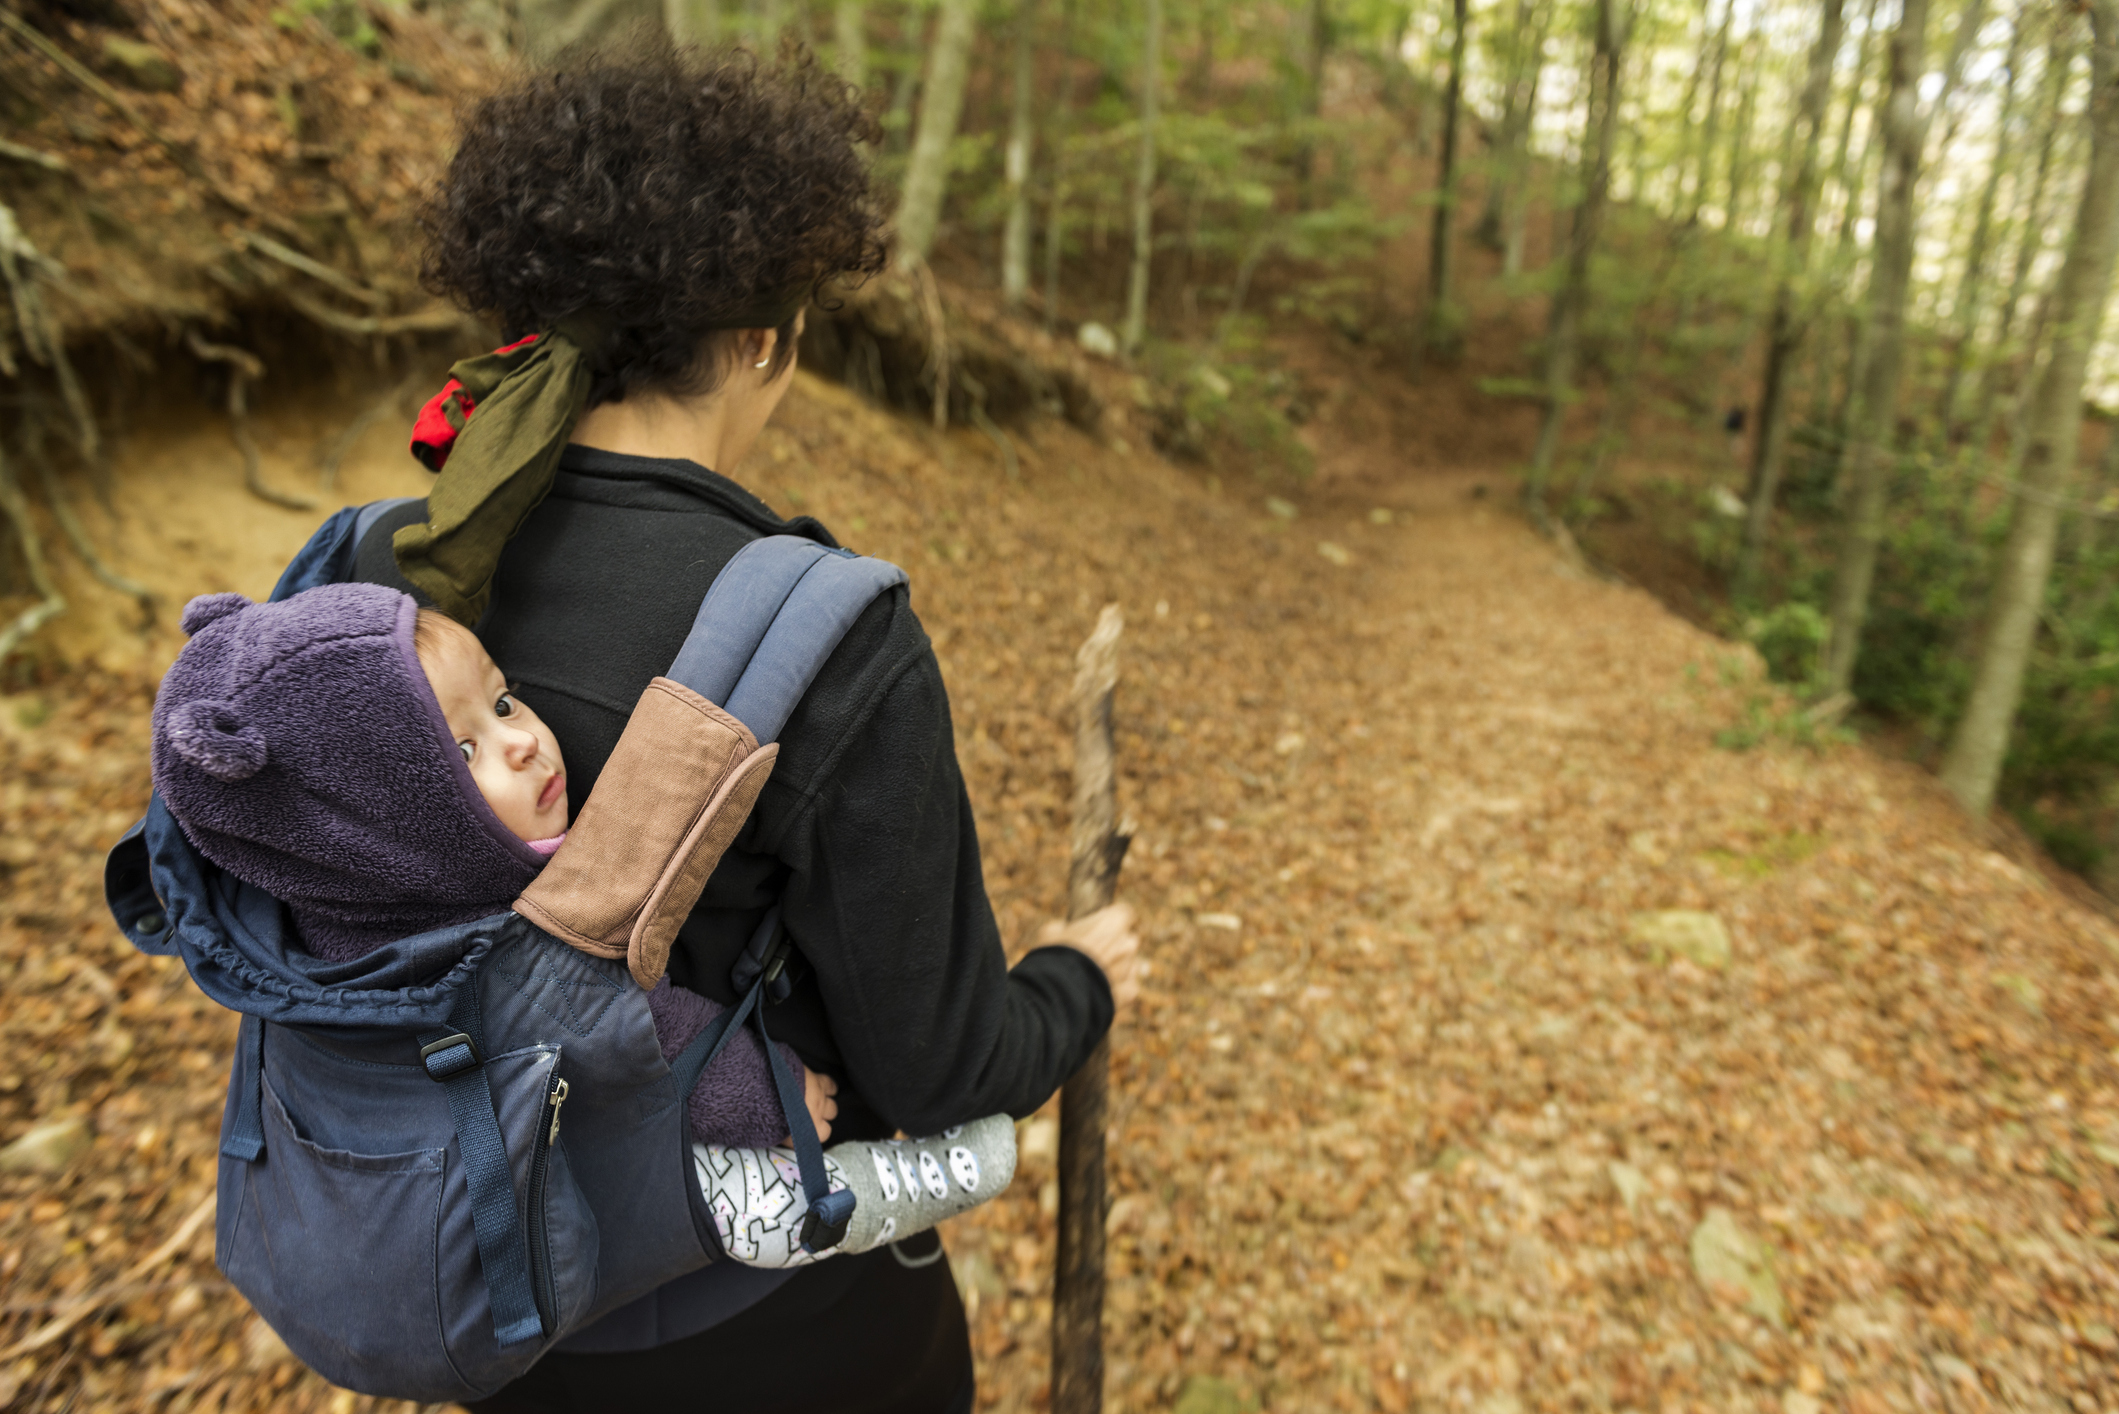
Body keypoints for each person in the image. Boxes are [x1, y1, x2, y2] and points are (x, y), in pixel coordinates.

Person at [351, 44, 1139, 1411]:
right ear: (768, 340)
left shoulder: (390, 583)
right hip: (779, 1332)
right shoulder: (828, 637)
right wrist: (1078, 979)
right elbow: (945, 1069)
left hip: (493, 1304)